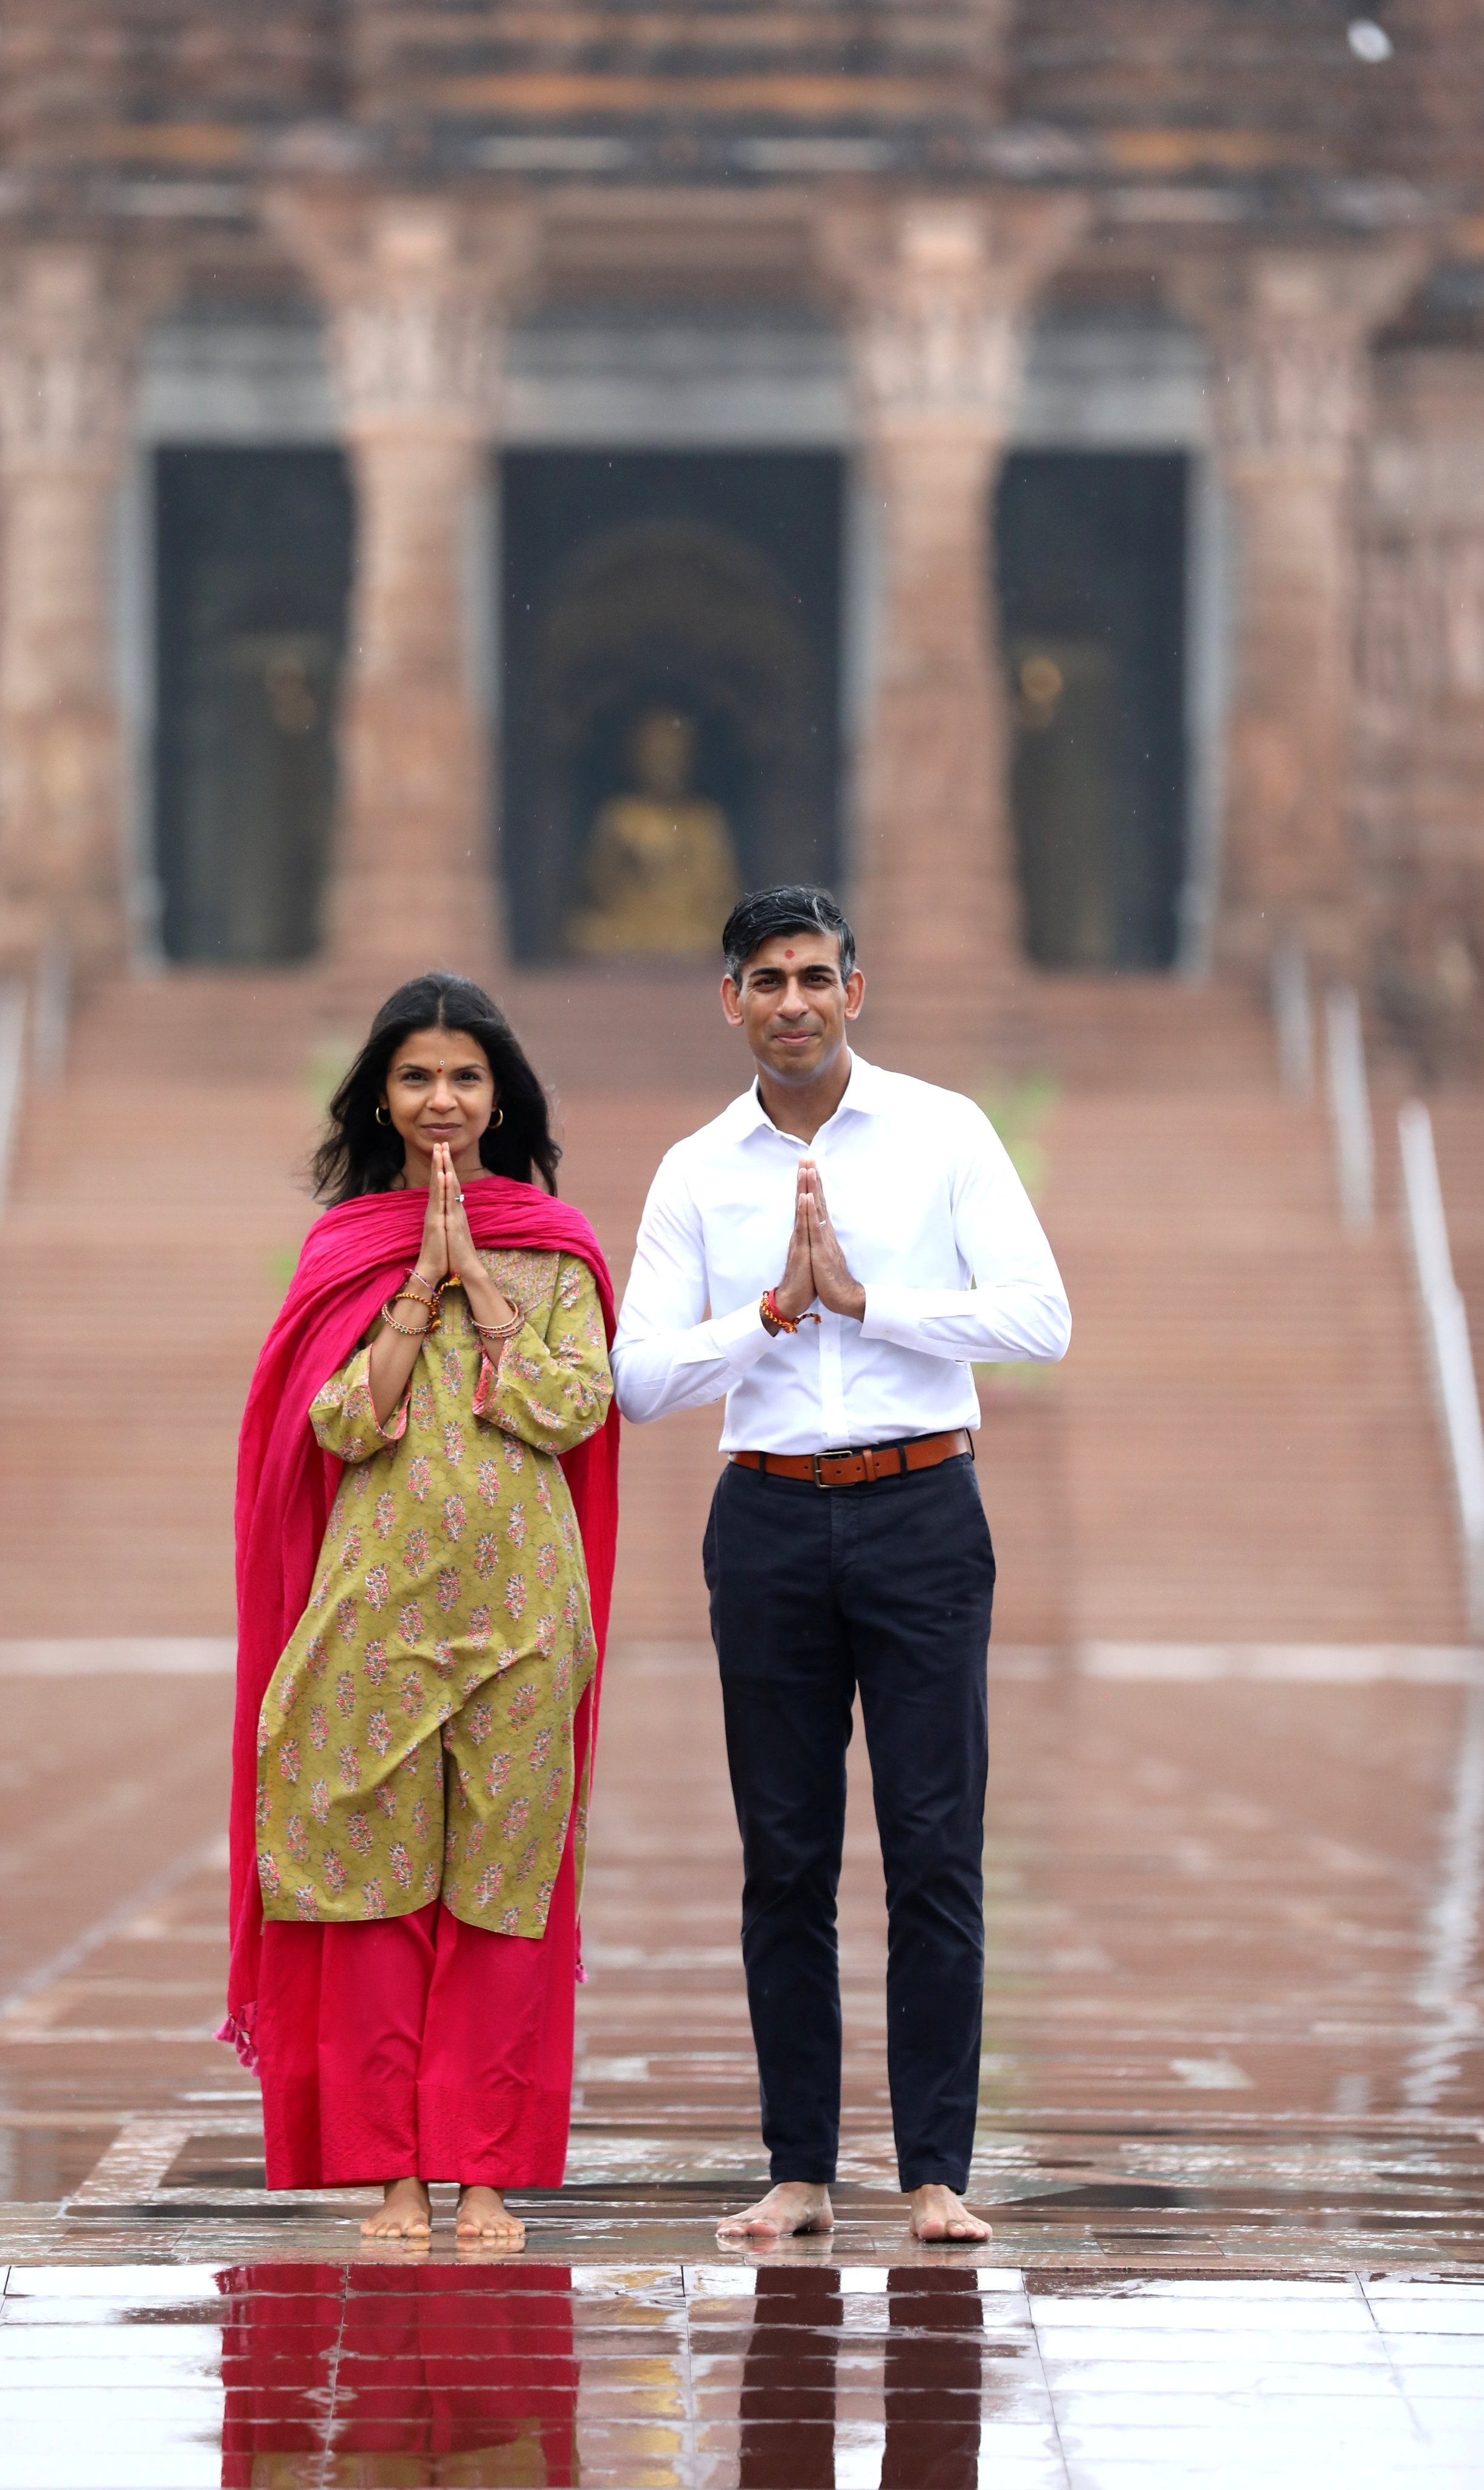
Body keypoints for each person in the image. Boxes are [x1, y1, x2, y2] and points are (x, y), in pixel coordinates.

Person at [612, 886, 1071, 2243]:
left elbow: (1039, 1314)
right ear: (732, 1001)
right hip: (764, 1519)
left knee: (935, 1848)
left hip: (921, 1503)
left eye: (816, 975)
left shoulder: (944, 1132)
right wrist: (768, 1314)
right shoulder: (699, 1167)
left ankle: (936, 2171)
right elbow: (636, 1376)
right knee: (784, 1855)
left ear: (854, 991)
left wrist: (875, 1301)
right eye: (768, 979)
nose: (794, 1001)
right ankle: (799, 2167)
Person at [221, 973, 619, 2249]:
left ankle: (486, 2171)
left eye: (463, 1075)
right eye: (415, 1076)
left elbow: (573, 1406)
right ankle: (394, 2171)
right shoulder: (344, 1245)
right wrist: (413, 1292)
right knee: (377, 1887)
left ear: (501, 1096)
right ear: (380, 1097)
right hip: (374, 1603)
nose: (440, 1099)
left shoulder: (554, 1243)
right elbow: (335, 1419)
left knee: (504, 1886)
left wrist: (483, 1287)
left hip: (523, 1610)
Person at [568, 709, 740, 956]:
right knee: (584, 932)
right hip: (629, 926)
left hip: (688, 928)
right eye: (655, 756)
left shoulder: (704, 819)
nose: (664, 765)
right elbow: (600, 885)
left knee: (725, 933)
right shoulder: (619, 815)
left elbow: (719, 889)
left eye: (672, 756)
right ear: (635, 759)